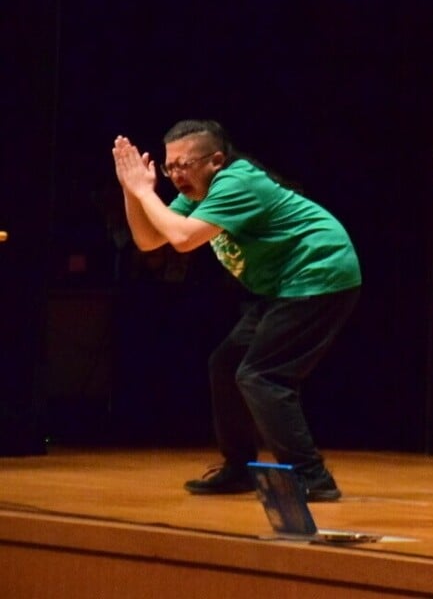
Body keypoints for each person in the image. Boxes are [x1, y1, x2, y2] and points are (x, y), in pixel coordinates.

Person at [111, 120, 361, 501]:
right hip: (281, 287)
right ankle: (239, 469)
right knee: (225, 365)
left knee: (261, 376)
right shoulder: (199, 192)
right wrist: (132, 191)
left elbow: (182, 238)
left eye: (184, 165)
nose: (175, 175)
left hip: (321, 272)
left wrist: (146, 193)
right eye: (169, 166)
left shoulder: (236, 183)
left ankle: (313, 477)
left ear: (216, 160)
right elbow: (149, 240)